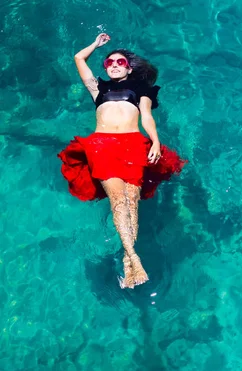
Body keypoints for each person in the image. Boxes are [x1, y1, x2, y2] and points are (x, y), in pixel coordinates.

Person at [58, 33, 187, 289]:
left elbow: (147, 117)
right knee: (118, 200)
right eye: (109, 63)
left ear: (129, 68)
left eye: (120, 62)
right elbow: (78, 58)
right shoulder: (99, 89)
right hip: (102, 145)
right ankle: (133, 257)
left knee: (131, 201)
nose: (114, 65)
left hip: (133, 145)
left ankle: (130, 261)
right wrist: (95, 44)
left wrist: (156, 141)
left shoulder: (142, 90)